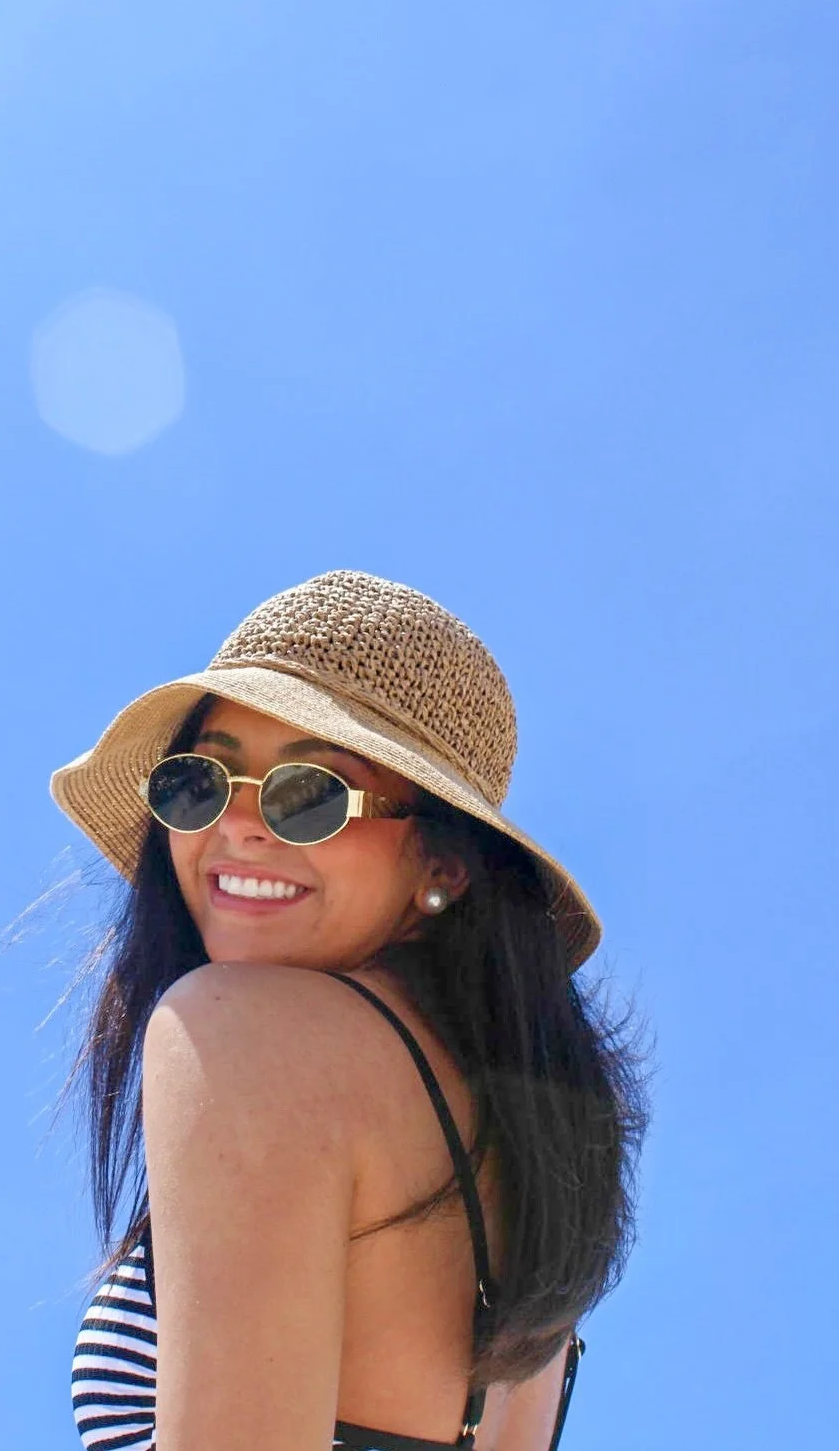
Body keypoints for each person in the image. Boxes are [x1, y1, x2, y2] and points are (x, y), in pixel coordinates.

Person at [52, 570, 648, 1451]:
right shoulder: (532, 1176)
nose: (238, 825)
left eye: (310, 795)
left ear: (444, 866)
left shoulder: (244, 1030)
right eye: (200, 782)